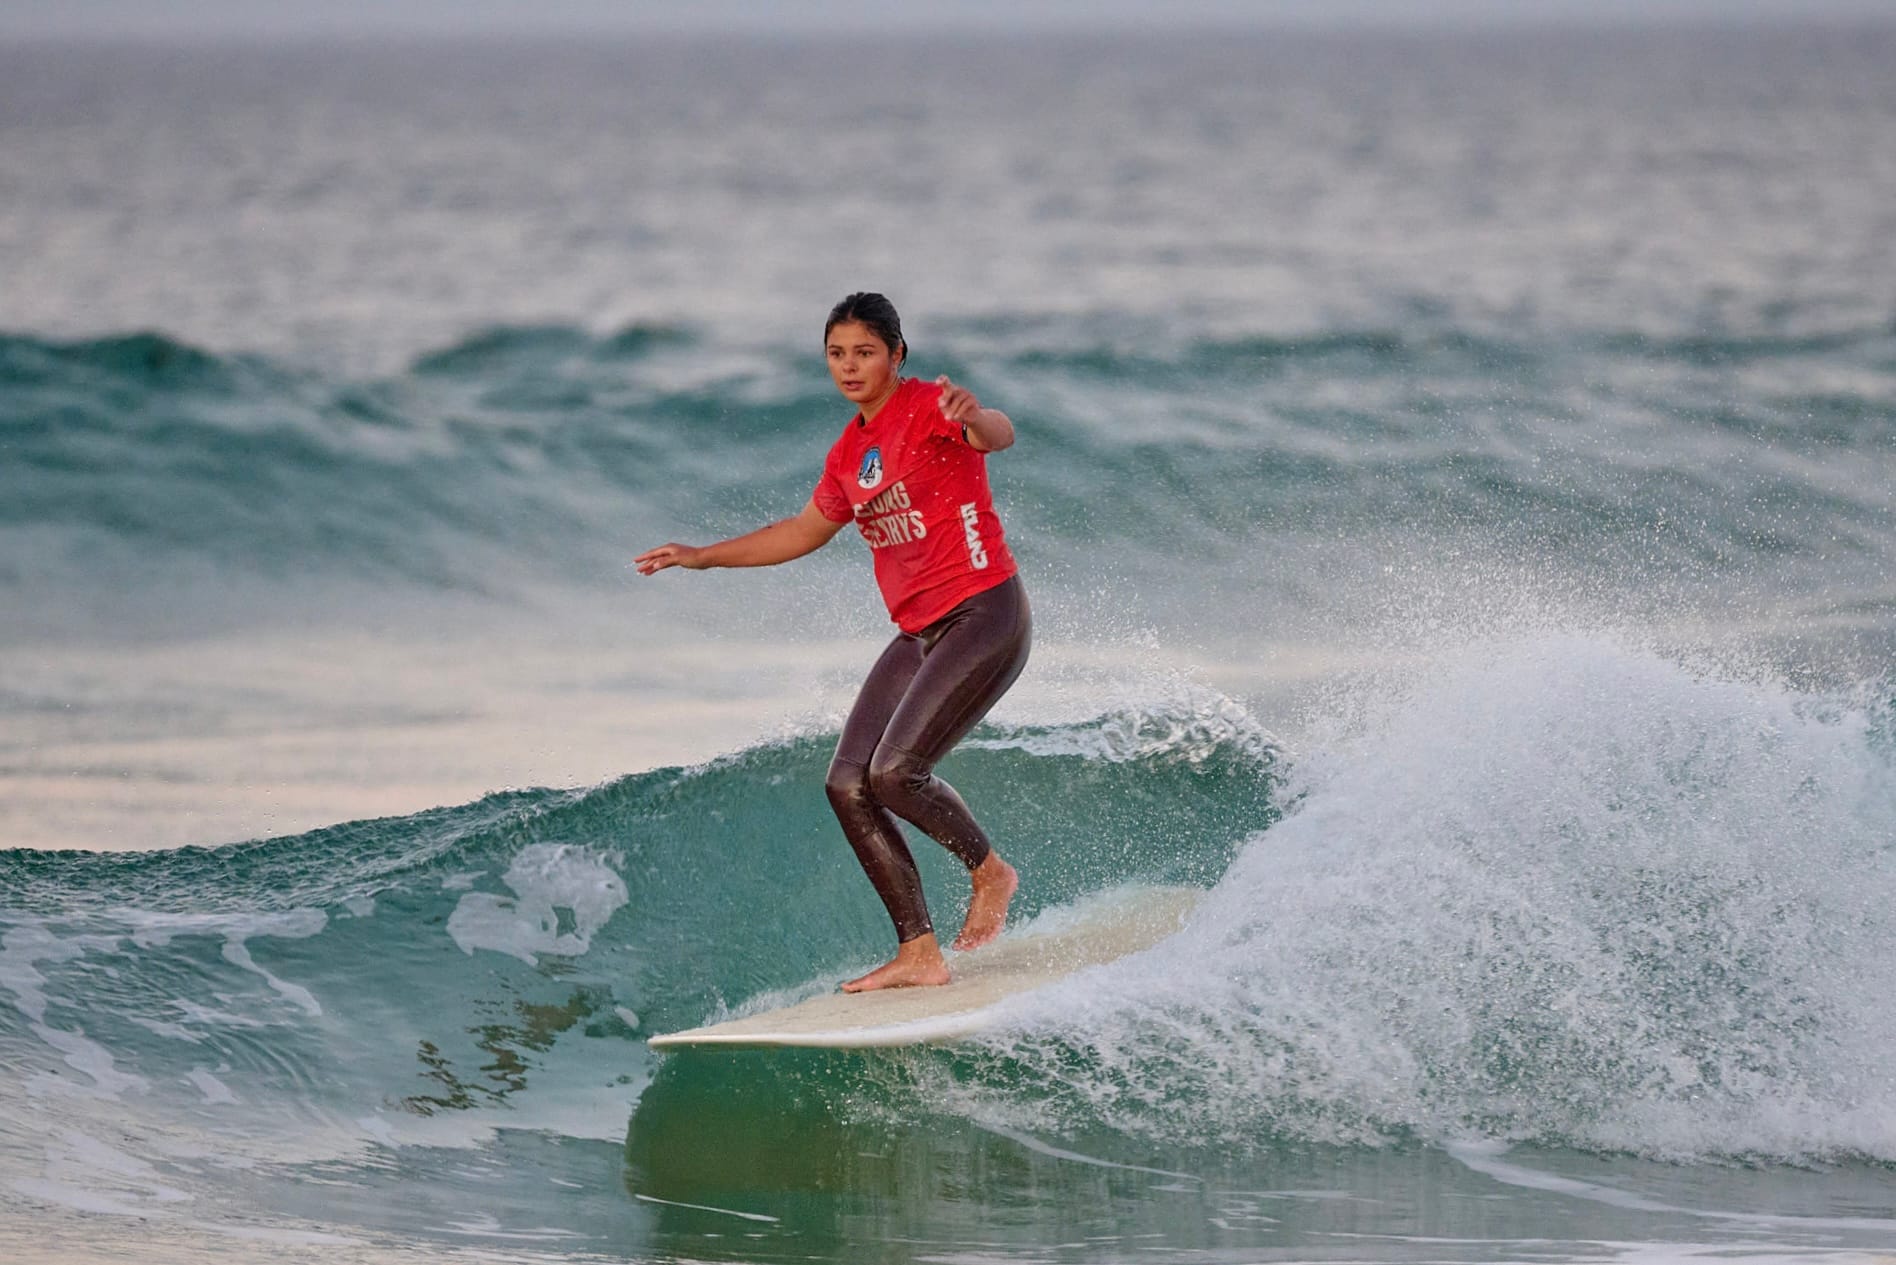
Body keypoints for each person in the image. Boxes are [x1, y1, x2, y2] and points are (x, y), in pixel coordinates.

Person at [635, 293, 1029, 992]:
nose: (849, 366)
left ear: (896, 355)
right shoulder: (849, 453)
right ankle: (920, 952)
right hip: (920, 631)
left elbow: (998, 434)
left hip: (984, 614)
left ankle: (990, 872)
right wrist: (702, 557)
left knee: (895, 772)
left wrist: (975, 416)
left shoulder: (931, 408)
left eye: (864, 352)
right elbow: (801, 532)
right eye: (836, 354)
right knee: (848, 782)